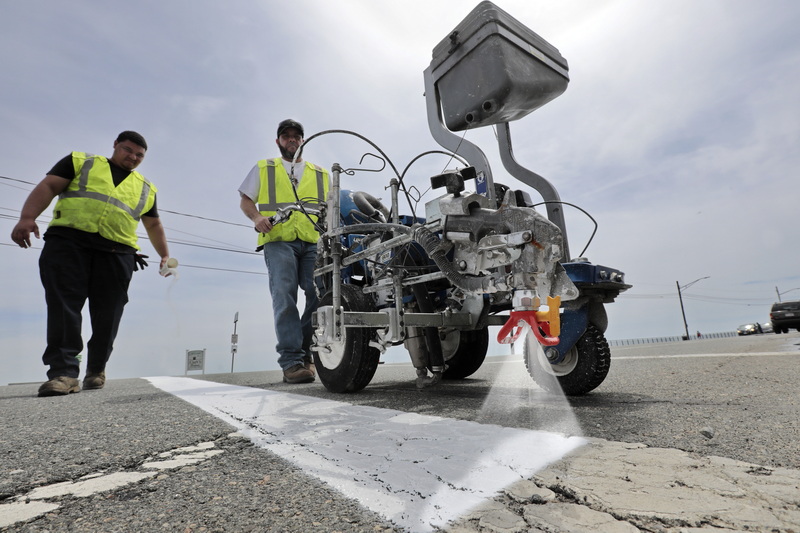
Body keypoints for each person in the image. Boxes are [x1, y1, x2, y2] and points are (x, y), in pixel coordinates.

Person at [11, 131, 171, 397]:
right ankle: (64, 373)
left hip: (117, 252)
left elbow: (153, 223)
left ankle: (96, 369)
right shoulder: (81, 162)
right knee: (64, 307)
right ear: (115, 145)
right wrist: (28, 217)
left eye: (139, 155)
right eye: (127, 150)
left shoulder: (145, 187)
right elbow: (49, 186)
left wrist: (165, 254)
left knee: (109, 313)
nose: (132, 157)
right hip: (68, 243)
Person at [238, 119, 330, 384]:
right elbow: (246, 199)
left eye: (296, 136)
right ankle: (291, 362)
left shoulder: (321, 173)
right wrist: (256, 218)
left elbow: (332, 207)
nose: (291, 139)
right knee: (284, 296)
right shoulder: (264, 168)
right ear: (278, 141)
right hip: (278, 239)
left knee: (318, 293)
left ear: (302, 140)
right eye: (286, 136)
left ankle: (307, 352)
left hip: (313, 240)